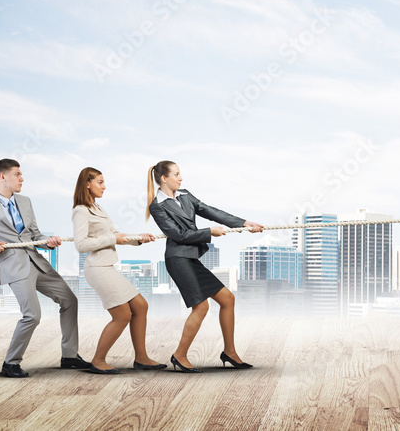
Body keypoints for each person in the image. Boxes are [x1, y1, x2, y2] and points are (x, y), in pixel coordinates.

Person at [0, 159, 89, 377]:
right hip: (14, 266)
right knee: (32, 315)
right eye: (17, 174)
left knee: (70, 300)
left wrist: (47, 241)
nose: (22, 178)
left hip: (36, 262)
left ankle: (70, 356)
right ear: (2, 177)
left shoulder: (25, 202)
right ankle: (11, 363)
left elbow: (34, 235)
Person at [146, 160, 264, 371]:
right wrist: (209, 233)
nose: (181, 178)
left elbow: (210, 211)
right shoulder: (157, 206)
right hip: (177, 259)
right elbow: (178, 235)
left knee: (227, 298)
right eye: (177, 174)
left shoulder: (185, 195)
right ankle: (179, 356)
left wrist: (245, 224)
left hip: (191, 258)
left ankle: (230, 352)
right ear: (164, 178)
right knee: (201, 306)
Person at [72, 167, 165, 374]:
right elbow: (80, 245)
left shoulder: (98, 208)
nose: (105, 186)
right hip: (97, 268)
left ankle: (141, 358)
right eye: (100, 182)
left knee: (140, 306)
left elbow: (114, 234)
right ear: (88, 184)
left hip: (108, 266)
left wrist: (137, 239)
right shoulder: (81, 210)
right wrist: (113, 239)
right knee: (122, 315)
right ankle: (98, 360)